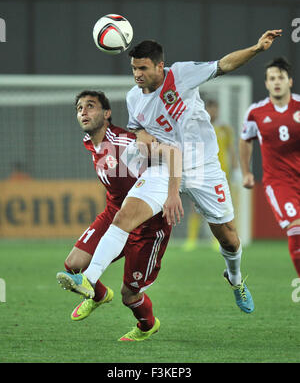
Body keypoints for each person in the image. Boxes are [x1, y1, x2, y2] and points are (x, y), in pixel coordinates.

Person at [61, 29, 281, 315]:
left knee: (228, 237)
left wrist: (257, 48)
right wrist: (140, 137)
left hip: (203, 167)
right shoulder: (133, 98)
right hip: (163, 166)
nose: (137, 74)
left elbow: (223, 64)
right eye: (133, 68)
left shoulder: (182, 74)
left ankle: (235, 279)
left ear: (159, 66)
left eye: (142, 68)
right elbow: (138, 127)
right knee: (124, 216)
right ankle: (88, 281)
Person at [56, 90, 171, 341]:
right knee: (73, 264)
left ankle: (147, 325)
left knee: (129, 294)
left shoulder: (124, 141)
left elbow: (166, 158)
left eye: (90, 106)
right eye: (79, 108)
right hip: (114, 213)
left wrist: (174, 191)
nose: (83, 112)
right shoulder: (90, 142)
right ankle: (98, 295)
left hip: (147, 224)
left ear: (107, 113)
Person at [239, 57, 300, 277]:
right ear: (266, 84)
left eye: (281, 77)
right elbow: (245, 139)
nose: (276, 82)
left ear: (290, 81)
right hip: (280, 182)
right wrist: (246, 172)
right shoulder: (256, 112)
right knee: (296, 229)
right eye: (272, 78)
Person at [183, 99, 239, 251]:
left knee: (220, 209)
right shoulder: (196, 127)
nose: (213, 112)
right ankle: (191, 240)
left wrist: (236, 170)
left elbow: (231, 150)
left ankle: (218, 241)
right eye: (210, 108)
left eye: (215, 109)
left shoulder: (225, 129)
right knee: (195, 207)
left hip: (221, 174)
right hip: (199, 172)